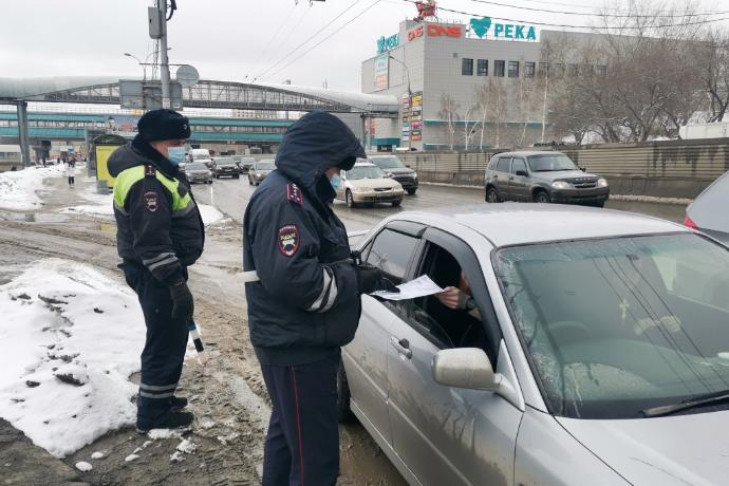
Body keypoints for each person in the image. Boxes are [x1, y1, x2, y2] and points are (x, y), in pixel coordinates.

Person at [243, 111, 397, 486]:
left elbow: (312, 258)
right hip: (299, 348)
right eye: (334, 167)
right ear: (316, 158)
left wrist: (351, 268)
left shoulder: (293, 193)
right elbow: (296, 279)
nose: (337, 176)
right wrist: (354, 280)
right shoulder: (286, 200)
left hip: (293, 343)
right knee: (316, 462)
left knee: (287, 438)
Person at [108, 109, 205, 433]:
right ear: (153, 142)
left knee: (171, 337)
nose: (182, 147)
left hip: (159, 271)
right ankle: (153, 414)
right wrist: (175, 282)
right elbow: (151, 243)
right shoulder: (146, 180)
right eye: (176, 142)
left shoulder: (156, 169)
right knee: (165, 341)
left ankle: (161, 397)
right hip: (156, 273)